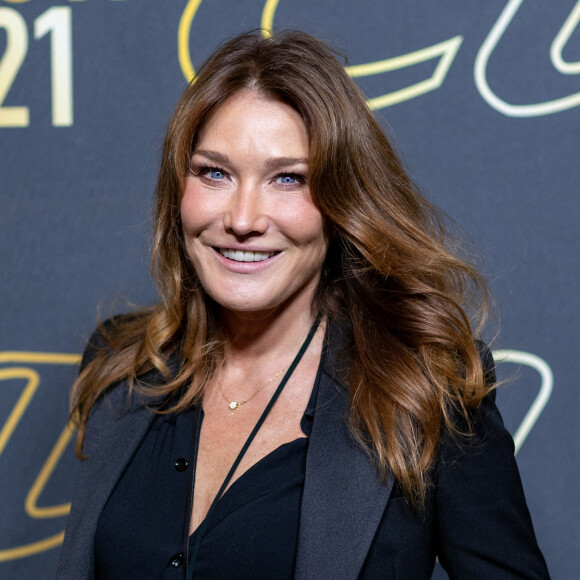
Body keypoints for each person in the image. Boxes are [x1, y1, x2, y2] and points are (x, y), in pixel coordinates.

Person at [57, 30, 550, 579]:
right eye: (214, 173)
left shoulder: (423, 385)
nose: (243, 219)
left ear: (343, 201)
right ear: (179, 187)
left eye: (288, 179)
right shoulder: (122, 367)